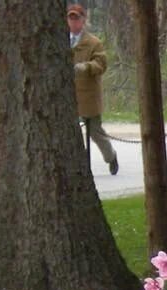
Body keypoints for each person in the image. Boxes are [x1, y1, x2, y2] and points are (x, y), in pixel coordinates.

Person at [68, 4, 118, 175]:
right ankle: (76, 166)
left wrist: (86, 67)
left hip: (88, 96)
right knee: (69, 134)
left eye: (77, 18)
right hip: (68, 97)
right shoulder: (60, 40)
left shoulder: (93, 43)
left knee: (95, 132)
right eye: (70, 18)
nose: (73, 22)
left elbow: (101, 64)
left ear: (84, 20)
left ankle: (111, 157)